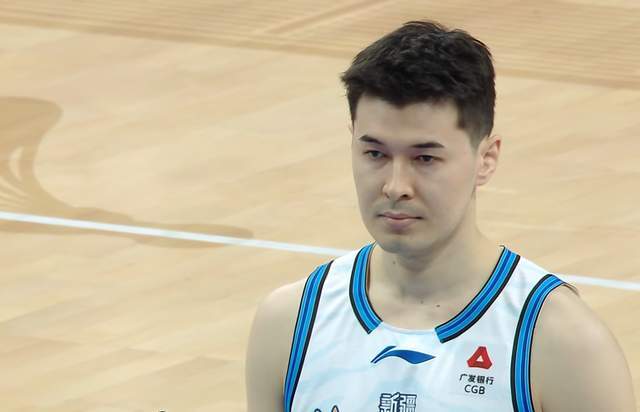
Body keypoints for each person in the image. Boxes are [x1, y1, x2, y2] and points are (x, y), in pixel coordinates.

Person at [245, 20, 636, 412]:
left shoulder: (562, 344)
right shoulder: (290, 324)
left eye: (425, 158)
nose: (395, 186)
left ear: (486, 158)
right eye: (375, 154)